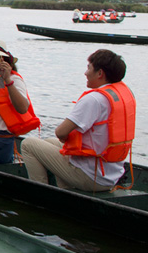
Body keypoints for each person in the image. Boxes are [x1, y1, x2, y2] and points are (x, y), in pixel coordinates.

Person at [20, 50, 135, 192]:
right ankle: (66, 187)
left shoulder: (94, 99)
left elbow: (60, 132)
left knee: (28, 144)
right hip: (110, 174)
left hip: (91, 178)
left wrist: (66, 139)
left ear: (100, 73)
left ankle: (41, 193)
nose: (85, 73)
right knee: (49, 142)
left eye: (89, 68)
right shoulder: (122, 95)